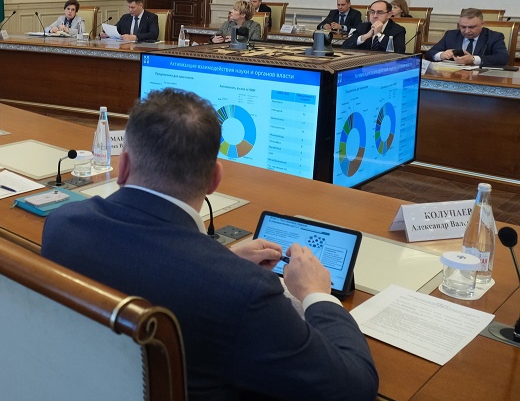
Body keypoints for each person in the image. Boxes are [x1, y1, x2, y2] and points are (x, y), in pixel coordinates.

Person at [41, 89, 379, 400]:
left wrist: (221, 258)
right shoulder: (245, 293)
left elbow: (151, 264)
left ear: (124, 165)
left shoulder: (63, 225)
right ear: (215, 178)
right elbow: (355, 387)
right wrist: (316, 294)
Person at [425, 8, 509, 67]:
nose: (467, 31)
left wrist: (473, 59)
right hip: (455, 77)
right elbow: (429, 53)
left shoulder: (494, 37)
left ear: (482, 24)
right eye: (463, 27)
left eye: (471, 27)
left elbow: (502, 58)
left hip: (481, 78)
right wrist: (441, 55)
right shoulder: (451, 35)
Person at [342, 0, 406, 53]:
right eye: (372, 12)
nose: (375, 16)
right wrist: (364, 37)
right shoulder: (363, 27)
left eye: (380, 12)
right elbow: (344, 46)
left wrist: (379, 35)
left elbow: (399, 52)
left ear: (389, 15)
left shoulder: (398, 30)